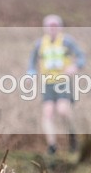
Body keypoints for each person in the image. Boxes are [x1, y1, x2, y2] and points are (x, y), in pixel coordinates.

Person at [27, 14, 86, 155]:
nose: (52, 29)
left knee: (63, 110)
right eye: (49, 26)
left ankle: (72, 135)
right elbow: (32, 63)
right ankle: (52, 146)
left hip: (63, 81)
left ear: (60, 27)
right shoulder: (39, 44)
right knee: (47, 113)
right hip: (48, 83)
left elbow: (81, 57)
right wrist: (31, 75)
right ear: (44, 28)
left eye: (55, 26)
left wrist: (75, 66)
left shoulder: (67, 42)